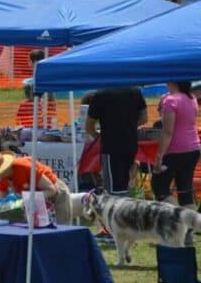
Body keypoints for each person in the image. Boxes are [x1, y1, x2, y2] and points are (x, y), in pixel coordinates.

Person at [0, 150, 72, 224]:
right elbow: (2, 205)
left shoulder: (23, 167)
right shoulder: (1, 179)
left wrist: (26, 200)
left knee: (62, 230)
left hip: (58, 195)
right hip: (36, 202)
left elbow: (51, 190)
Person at [86, 87, 147, 196]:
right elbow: (144, 118)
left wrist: (99, 137)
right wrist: (129, 126)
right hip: (130, 146)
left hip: (111, 148)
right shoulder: (135, 91)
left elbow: (89, 126)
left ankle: (120, 211)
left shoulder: (100, 94)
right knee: (125, 186)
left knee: (114, 192)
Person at [152, 82, 200, 222]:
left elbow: (167, 131)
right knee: (185, 190)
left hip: (175, 149)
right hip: (193, 148)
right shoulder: (191, 98)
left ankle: (179, 221)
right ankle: (192, 228)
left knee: (159, 187)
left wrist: (159, 157)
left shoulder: (171, 100)